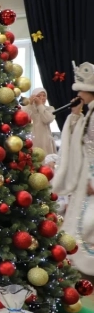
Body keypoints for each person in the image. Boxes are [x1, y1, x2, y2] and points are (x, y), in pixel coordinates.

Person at [53, 61, 94, 276]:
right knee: (80, 218)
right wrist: (75, 115)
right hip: (85, 174)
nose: (79, 94)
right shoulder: (89, 113)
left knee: (88, 222)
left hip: (91, 176)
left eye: (81, 91)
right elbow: (80, 140)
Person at [23, 88, 56, 154]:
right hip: (31, 139)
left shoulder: (50, 109)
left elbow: (47, 119)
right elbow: (23, 117)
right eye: (38, 96)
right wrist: (29, 104)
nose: (42, 98)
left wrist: (40, 105)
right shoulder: (29, 107)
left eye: (44, 95)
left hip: (45, 140)